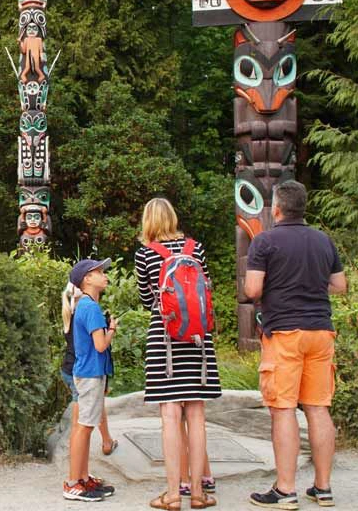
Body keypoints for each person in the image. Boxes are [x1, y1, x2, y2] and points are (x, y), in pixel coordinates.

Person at [245, 181, 347, 510]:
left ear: (276, 208)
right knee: (318, 408)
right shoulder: (322, 240)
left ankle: (285, 489)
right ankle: (323, 487)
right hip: (321, 331)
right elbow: (340, 285)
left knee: (284, 409)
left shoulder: (265, 241)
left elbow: (252, 290)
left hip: (285, 332)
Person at [135, 197, 221, 510]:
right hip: (198, 339)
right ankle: (197, 493)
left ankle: (173, 494)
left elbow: (147, 300)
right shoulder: (194, 248)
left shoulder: (145, 253)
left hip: (165, 339)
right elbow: (206, 288)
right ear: (173, 217)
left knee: (170, 415)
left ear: (148, 221)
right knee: (196, 414)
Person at [63, 258, 117, 502]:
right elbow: (100, 345)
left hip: (85, 372)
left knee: (82, 426)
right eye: (99, 272)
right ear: (86, 279)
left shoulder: (82, 304)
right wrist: (112, 330)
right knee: (83, 428)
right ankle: (74, 483)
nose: (104, 275)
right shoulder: (92, 308)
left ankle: (83, 478)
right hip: (90, 374)